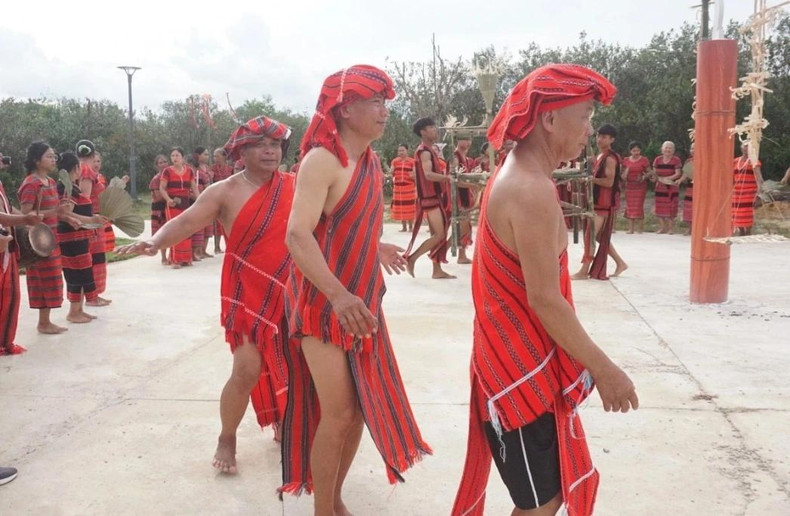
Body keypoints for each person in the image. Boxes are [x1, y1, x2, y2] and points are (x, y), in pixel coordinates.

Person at [452, 64, 639, 516]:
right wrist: (605, 369)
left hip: (516, 365)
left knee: (543, 500)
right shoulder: (530, 188)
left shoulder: (518, 174)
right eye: (585, 117)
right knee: (542, 504)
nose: (590, 132)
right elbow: (545, 300)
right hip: (516, 374)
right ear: (550, 119)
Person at [280, 64, 431, 515]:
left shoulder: (369, 159)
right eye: (376, 102)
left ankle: (333, 497)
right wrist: (338, 296)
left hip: (360, 301)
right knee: (342, 412)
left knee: (361, 409)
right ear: (346, 109)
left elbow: (343, 221)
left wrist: (375, 245)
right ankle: (323, 510)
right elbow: (297, 235)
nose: (385, 111)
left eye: (386, 102)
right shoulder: (322, 160)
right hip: (322, 304)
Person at [117, 115, 295, 475]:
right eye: (260, 145)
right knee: (246, 370)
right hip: (246, 291)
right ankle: (227, 436)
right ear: (241, 152)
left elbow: (326, 224)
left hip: (291, 290)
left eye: (275, 145)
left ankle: (284, 422)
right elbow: (184, 222)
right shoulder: (224, 191)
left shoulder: (295, 185)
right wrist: (154, 241)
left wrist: (374, 245)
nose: (269, 151)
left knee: (293, 365)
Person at [19, 142, 77, 334]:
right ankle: (43, 323)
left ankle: (46, 321)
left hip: (51, 238)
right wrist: (56, 210)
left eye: (54, 156)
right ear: (37, 160)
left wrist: (67, 215)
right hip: (37, 242)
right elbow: (26, 215)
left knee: (52, 280)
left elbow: (55, 212)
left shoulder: (50, 182)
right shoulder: (31, 184)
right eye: (49, 156)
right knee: (42, 281)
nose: (54, 160)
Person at [56, 152, 108, 323]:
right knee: (75, 273)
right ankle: (73, 312)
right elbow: (65, 213)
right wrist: (92, 220)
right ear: (76, 168)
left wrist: (94, 220)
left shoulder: (72, 186)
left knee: (83, 271)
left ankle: (78, 310)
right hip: (71, 239)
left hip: (79, 238)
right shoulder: (66, 188)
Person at [1, 155, 44, 355]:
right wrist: (24, 218)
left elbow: (8, 209)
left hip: (8, 248)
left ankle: (6, 342)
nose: (4, 158)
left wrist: (26, 221)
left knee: (11, 296)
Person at [573, 124, 628, 280]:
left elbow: (609, 183)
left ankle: (584, 271)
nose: (599, 139)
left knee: (589, 235)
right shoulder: (600, 156)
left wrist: (591, 180)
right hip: (597, 202)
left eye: (604, 137)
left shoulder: (610, 158)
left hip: (603, 204)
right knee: (598, 237)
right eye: (598, 136)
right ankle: (620, 263)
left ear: (612, 140)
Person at [403, 117, 455, 279]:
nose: (435, 130)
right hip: (430, 198)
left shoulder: (429, 149)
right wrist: (448, 178)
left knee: (437, 235)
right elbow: (428, 175)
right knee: (439, 235)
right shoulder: (424, 151)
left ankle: (437, 270)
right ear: (423, 132)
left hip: (433, 197)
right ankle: (412, 258)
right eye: (431, 127)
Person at [76, 140, 112, 306]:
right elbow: (84, 198)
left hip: (93, 219)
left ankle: (93, 295)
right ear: (92, 154)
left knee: (93, 259)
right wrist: (90, 220)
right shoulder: (86, 171)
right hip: (92, 221)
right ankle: (92, 296)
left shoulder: (80, 168)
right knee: (94, 259)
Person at [159, 147, 200, 268]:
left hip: (186, 202)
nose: (174, 158)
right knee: (175, 229)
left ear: (183, 157)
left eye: (177, 155)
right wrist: (168, 199)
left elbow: (194, 188)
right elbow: (162, 188)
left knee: (186, 229)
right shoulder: (167, 171)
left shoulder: (190, 171)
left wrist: (200, 201)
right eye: (172, 156)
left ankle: (186, 258)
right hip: (173, 203)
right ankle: (175, 260)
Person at [452, 135, 477, 264]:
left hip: (465, 195)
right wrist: (474, 184)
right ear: (458, 140)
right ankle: (459, 254)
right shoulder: (455, 157)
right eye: (464, 139)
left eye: (469, 139)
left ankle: (462, 254)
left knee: (465, 226)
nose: (467, 142)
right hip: (458, 197)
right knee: (463, 226)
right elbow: (456, 180)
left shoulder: (465, 158)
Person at [733, 142, 764, 236]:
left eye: (748, 146)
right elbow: (731, 177)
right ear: (741, 147)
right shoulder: (735, 161)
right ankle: (741, 231)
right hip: (737, 192)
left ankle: (748, 231)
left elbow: (759, 179)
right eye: (744, 145)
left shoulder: (754, 161)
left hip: (750, 191)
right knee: (737, 212)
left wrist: (758, 194)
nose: (746, 148)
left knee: (748, 212)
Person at [651, 141, 682, 234]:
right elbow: (654, 172)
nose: (668, 150)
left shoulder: (676, 160)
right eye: (666, 147)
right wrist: (656, 179)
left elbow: (678, 173)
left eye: (670, 148)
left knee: (671, 207)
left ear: (673, 150)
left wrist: (666, 179)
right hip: (660, 186)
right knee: (659, 206)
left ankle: (671, 229)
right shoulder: (657, 159)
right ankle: (662, 228)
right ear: (662, 149)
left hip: (671, 186)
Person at [621, 141, 650, 234]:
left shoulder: (644, 160)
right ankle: (631, 229)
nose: (636, 153)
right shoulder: (625, 160)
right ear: (630, 151)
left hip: (640, 186)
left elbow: (650, 172)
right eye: (634, 151)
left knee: (638, 206)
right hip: (629, 186)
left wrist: (644, 177)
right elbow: (622, 175)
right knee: (630, 206)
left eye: (638, 150)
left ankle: (640, 229)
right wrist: (626, 171)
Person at [190, 147, 213, 260]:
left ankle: (203, 250)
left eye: (208, 154)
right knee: (196, 227)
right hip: (192, 201)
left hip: (205, 199)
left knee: (207, 227)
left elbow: (208, 187)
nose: (207, 156)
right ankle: (195, 252)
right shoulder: (193, 172)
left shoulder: (207, 170)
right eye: (205, 154)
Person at [211, 148, 234, 254]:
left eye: (217, 156)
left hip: (228, 197)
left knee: (228, 222)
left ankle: (229, 245)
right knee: (217, 223)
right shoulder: (212, 169)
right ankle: (216, 247)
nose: (215, 158)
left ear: (224, 157)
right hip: (216, 197)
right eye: (214, 156)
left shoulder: (230, 169)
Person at [389, 143, 417, 232]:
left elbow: (416, 174)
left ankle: (410, 227)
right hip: (398, 188)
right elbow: (391, 172)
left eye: (402, 150)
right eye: (399, 151)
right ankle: (404, 227)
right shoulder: (395, 161)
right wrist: (390, 173)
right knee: (401, 207)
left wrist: (414, 176)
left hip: (409, 187)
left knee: (410, 207)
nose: (400, 152)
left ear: (407, 151)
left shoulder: (412, 161)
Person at [149, 155, 169, 264]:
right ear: (157, 165)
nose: (163, 164)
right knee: (161, 233)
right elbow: (158, 196)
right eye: (160, 162)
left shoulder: (170, 176)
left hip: (168, 206)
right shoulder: (156, 179)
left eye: (165, 161)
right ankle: (163, 257)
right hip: (159, 208)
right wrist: (171, 196)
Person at [679, 144, 695, 235]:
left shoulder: (705, 159)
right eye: (692, 148)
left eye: (696, 148)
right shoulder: (688, 161)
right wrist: (681, 180)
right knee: (689, 208)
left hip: (701, 187)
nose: (693, 150)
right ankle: (690, 228)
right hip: (690, 187)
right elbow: (685, 175)